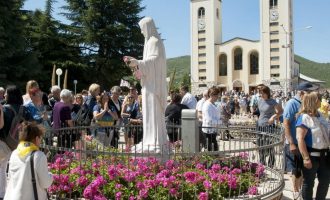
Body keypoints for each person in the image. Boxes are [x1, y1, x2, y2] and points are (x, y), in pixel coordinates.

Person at [124, 17, 168, 152]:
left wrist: (138, 62)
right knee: (148, 114)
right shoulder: (148, 42)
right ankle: (149, 139)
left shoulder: (155, 41)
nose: (142, 32)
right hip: (148, 85)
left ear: (148, 27)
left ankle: (155, 141)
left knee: (153, 113)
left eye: (143, 29)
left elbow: (155, 62)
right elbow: (148, 63)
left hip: (154, 87)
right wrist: (137, 66)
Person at [283, 82, 318, 199]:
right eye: (309, 92)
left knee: (301, 171)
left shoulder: (304, 103)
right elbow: (286, 123)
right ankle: (296, 193)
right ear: (302, 93)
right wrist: (291, 143)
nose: (311, 94)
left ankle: (300, 193)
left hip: (303, 143)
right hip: (294, 143)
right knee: (295, 170)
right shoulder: (292, 103)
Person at [4, 122, 53, 200]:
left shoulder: (13, 153)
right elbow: (45, 183)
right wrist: (50, 175)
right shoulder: (39, 156)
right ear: (37, 138)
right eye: (40, 139)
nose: (40, 142)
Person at [296, 92, 330, 200]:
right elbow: (300, 139)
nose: (322, 101)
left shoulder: (320, 116)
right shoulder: (304, 117)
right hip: (311, 156)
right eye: (319, 99)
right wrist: (306, 158)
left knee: (325, 181)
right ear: (314, 101)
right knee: (309, 183)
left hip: (325, 155)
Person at [0, 85, 25, 199]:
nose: (4, 94)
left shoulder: (4, 109)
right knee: (14, 168)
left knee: (1, 168)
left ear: (10, 95)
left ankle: (2, 194)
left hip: (4, 142)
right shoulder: (23, 108)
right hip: (18, 143)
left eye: (6, 93)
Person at [256, 85, 283, 167]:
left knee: (269, 145)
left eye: (263, 93)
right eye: (260, 93)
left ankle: (271, 164)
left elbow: (281, 111)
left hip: (268, 126)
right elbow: (260, 112)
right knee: (260, 144)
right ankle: (262, 162)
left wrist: (273, 117)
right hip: (259, 125)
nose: (261, 95)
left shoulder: (272, 101)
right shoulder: (260, 100)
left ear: (267, 93)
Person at [202, 87, 221, 151]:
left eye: (218, 95)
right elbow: (209, 120)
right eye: (216, 95)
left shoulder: (213, 104)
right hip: (208, 131)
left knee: (214, 150)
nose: (218, 97)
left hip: (212, 131)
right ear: (211, 95)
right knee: (211, 151)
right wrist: (221, 122)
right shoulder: (207, 105)